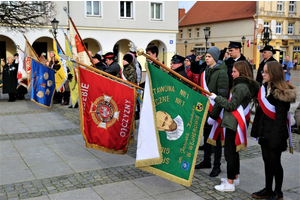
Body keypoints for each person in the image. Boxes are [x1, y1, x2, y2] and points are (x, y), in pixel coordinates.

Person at [208, 61, 260, 192]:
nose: (231, 74)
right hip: (234, 121)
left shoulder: (241, 86)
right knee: (233, 152)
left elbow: (232, 106)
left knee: (230, 152)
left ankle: (230, 183)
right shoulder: (241, 85)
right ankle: (234, 178)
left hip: (234, 122)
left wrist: (216, 98)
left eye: (234, 71)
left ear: (241, 72)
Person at [251, 61, 297, 200]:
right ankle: (268, 189)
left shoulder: (282, 93)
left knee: (275, 162)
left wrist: (275, 140)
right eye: (262, 71)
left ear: (274, 74)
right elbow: (259, 113)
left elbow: (280, 120)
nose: (262, 74)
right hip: (264, 133)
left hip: (275, 135)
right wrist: (256, 131)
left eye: (265, 72)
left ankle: (278, 192)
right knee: (267, 161)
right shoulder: (264, 89)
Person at [194, 47, 229, 177]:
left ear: (215, 57)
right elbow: (200, 91)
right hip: (205, 111)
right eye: (206, 56)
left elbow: (222, 96)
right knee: (207, 138)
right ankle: (206, 160)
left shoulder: (222, 73)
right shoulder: (204, 71)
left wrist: (214, 115)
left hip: (216, 112)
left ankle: (217, 165)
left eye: (209, 56)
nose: (206, 58)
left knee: (217, 140)